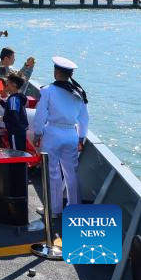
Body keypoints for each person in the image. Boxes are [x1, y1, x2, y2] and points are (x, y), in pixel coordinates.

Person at [32, 56, 89, 221]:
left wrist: (38, 133)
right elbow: (84, 119)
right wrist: (81, 137)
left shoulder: (48, 91)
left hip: (53, 133)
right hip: (71, 134)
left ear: (56, 72)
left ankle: (54, 209)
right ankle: (74, 208)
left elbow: (40, 115)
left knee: (53, 172)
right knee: (71, 173)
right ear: (70, 74)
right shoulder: (79, 93)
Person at [1, 73, 29, 151]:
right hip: (20, 131)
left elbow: (14, 115)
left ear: (14, 85)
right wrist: (0, 100)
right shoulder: (18, 97)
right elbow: (11, 108)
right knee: (20, 151)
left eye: (8, 83)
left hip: (15, 132)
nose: (6, 85)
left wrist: (3, 119)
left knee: (15, 152)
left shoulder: (13, 99)